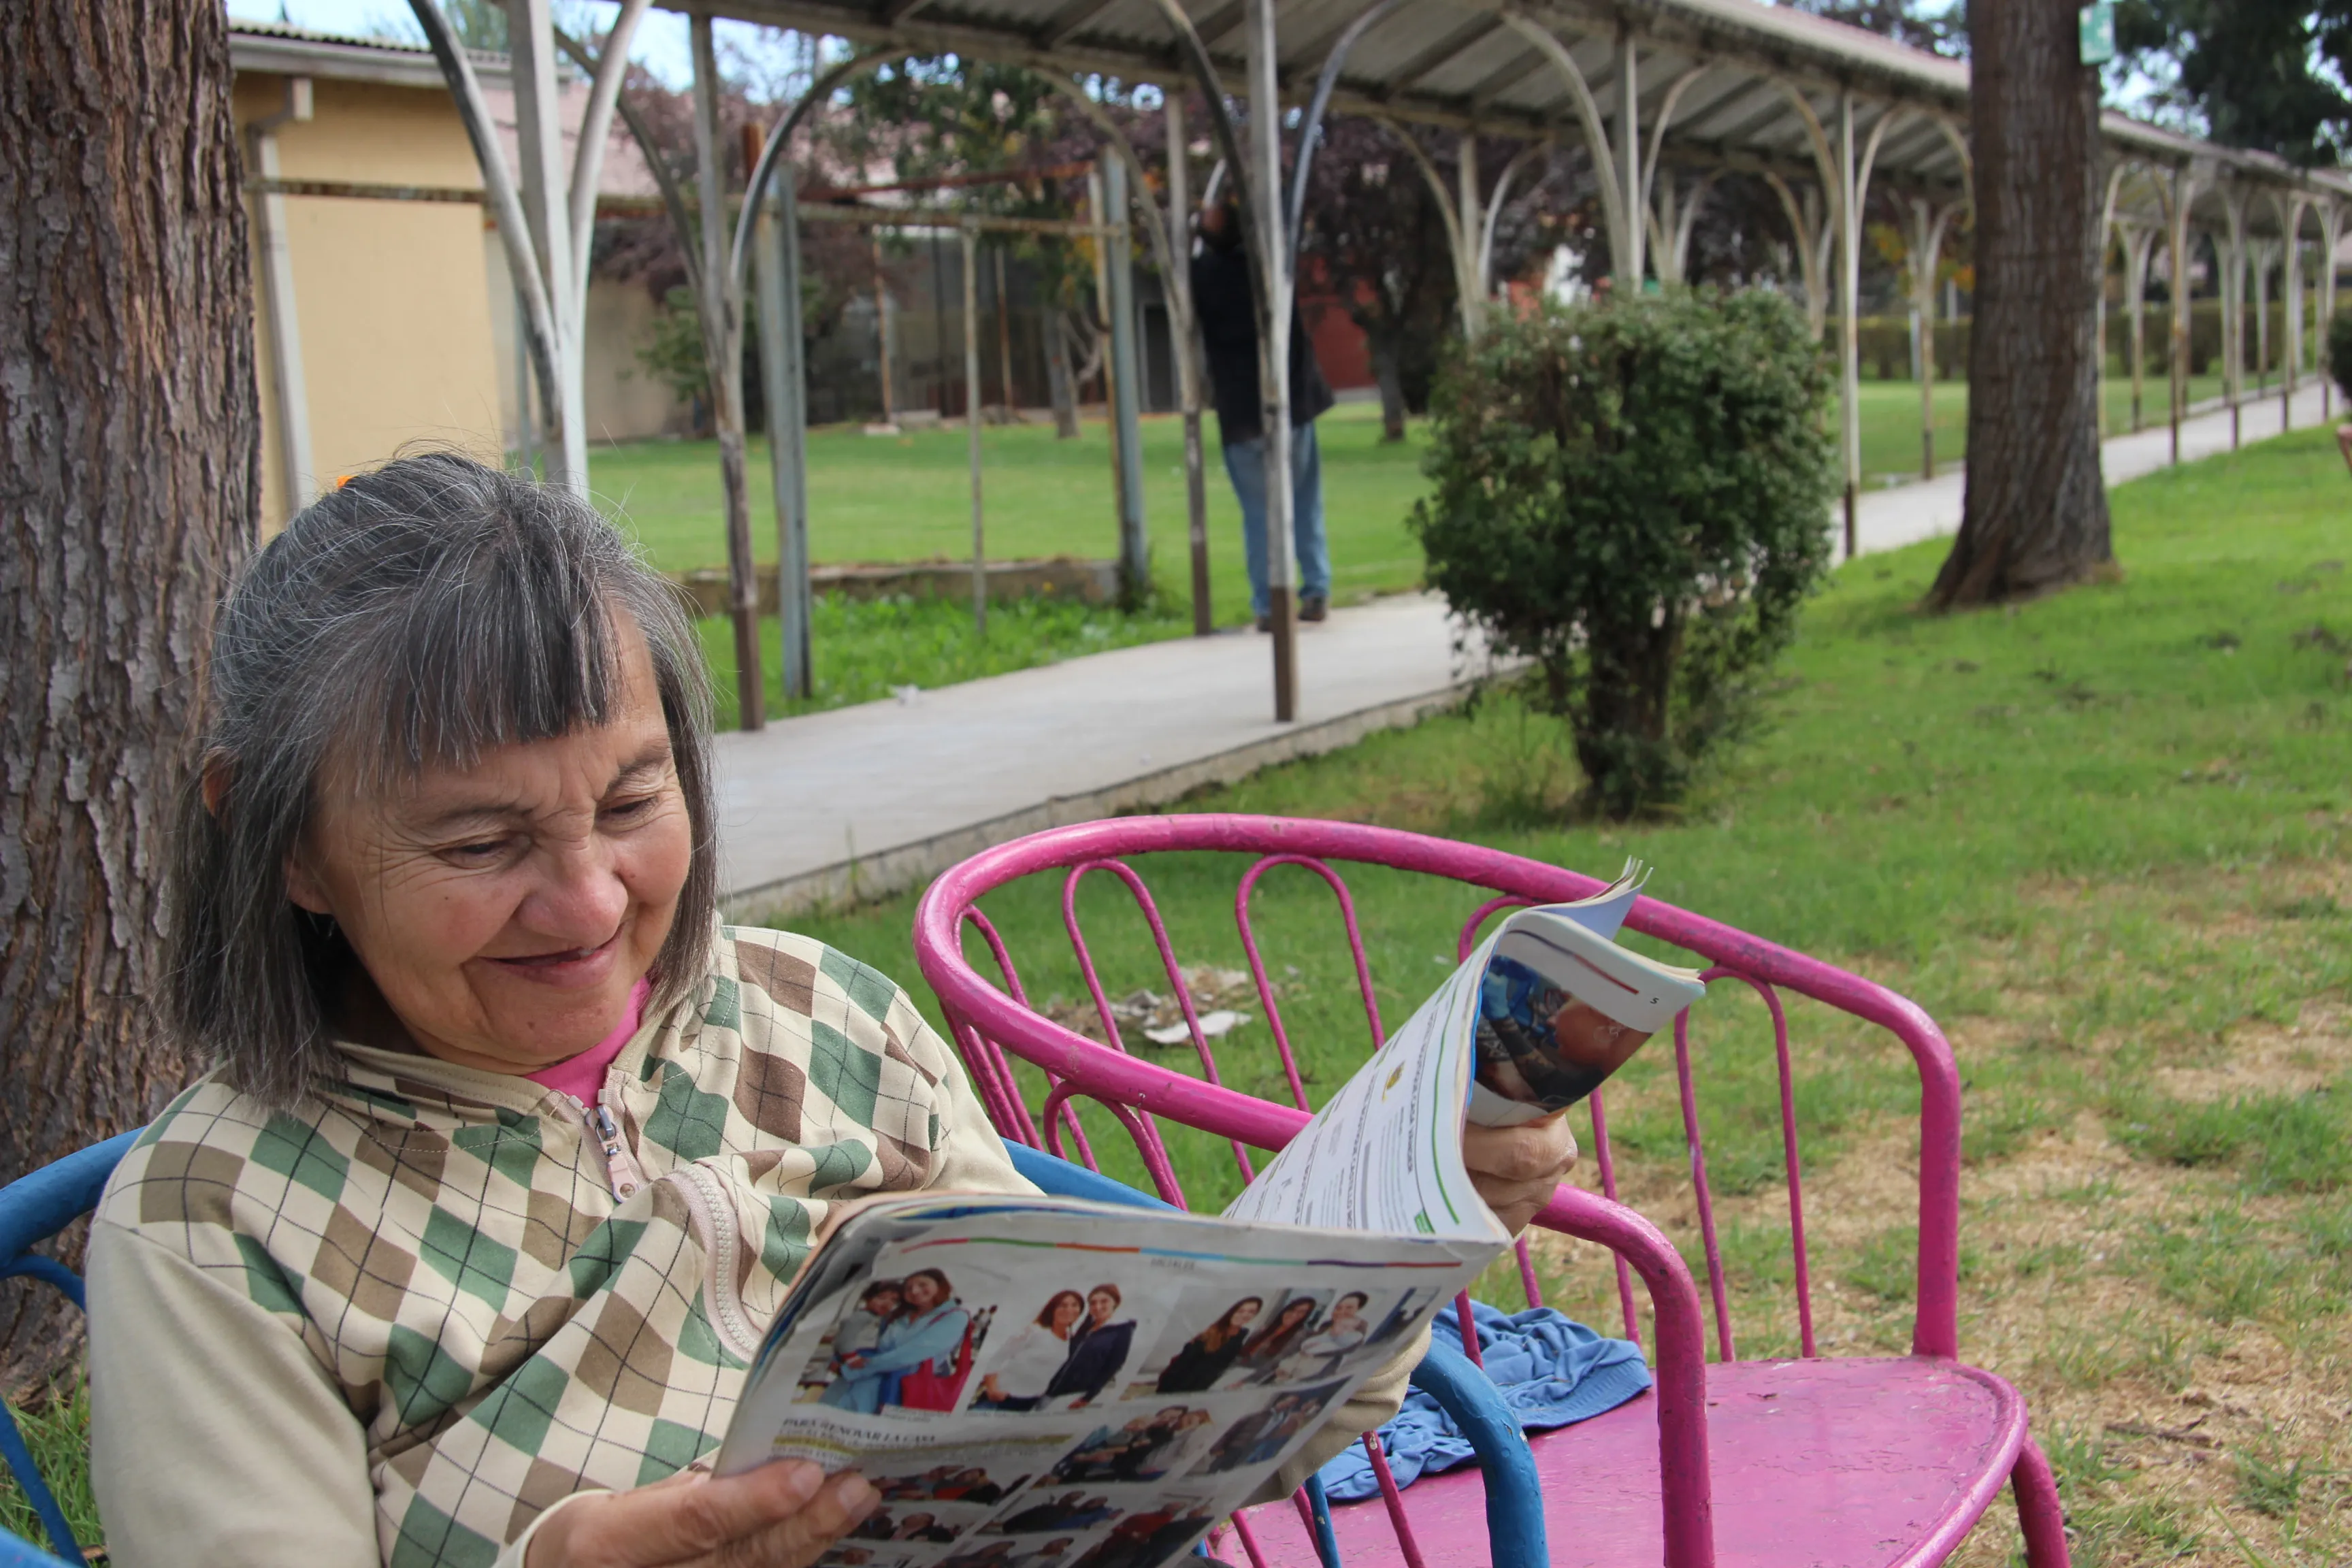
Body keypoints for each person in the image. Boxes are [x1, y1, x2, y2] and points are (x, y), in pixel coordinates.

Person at [81, 451, 1579, 1568]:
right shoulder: (222, 1222)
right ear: (285, 843)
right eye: (481, 846)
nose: (592, 904)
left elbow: (1131, 1429)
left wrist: (1389, 1246)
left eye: (633, 801)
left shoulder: (824, 1023)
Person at [1190, 193, 1336, 633]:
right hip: (1290, 404)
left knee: (1259, 511)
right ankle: (1314, 588)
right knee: (1304, 498)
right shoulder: (1269, 270)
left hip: (1242, 414)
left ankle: (1271, 602)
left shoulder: (1203, 278)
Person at [823, 1267, 969, 1412]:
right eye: (908, 1288)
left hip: (900, 1390)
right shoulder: (897, 1315)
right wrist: (840, 1359)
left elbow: (911, 1354)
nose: (915, 1291)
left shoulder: (954, 1317)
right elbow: (866, 1341)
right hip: (854, 1385)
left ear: (940, 1285)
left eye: (922, 1285)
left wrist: (851, 1370)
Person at [975, 1288, 1085, 1411]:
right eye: (1063, 1305)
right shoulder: (1033, 1331)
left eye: (1075, 1305)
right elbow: (997, 1358)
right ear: (1052, 1309)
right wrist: (992, 1389)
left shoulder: (1071, 1339)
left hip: (1029, 1402)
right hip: (1002, 1398)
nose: (1069, 1310)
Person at [1043, 1283, 1136, 1406]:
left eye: (1104, 1302)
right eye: (1093, 1303)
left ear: (1115, 1303)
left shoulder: (1122, 1330)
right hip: (1050, 1391)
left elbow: (1113, 1366)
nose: (1098, 1307)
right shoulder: (1086, 1326)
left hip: (1076, 1396)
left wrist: (1087, 1398)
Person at [1154, 1296, 1260, 1394]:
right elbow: (1181, 1365)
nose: (1245, 1315)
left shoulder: (1243, 1335)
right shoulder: (1210, 1334)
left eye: (1251, 1312)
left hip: (1210, 1387)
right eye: (1241, 1311)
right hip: (1183, 1386)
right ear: (1232, 1312)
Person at [1277, 1292, 1370, 1382]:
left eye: (1349, 1308)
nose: (1342, 1311)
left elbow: (1347, 1347)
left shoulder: (1355, 1332)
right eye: (1338, 1307)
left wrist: (1315, 1352)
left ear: (1358, 1310)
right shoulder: (1326, 1326)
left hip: (1315, 1376)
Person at [1228, 1295, 1320, 1385]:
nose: (1294, 1314)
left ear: (1306, 1316)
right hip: (1233, 1369)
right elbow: (1242, 1351)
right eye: (1293, 1309)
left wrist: (1246, 1381)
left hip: (1251, 1378)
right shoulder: (1268, 1328)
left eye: (1301, 1312)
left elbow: (1276, 1363)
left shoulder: (1298, 1335)